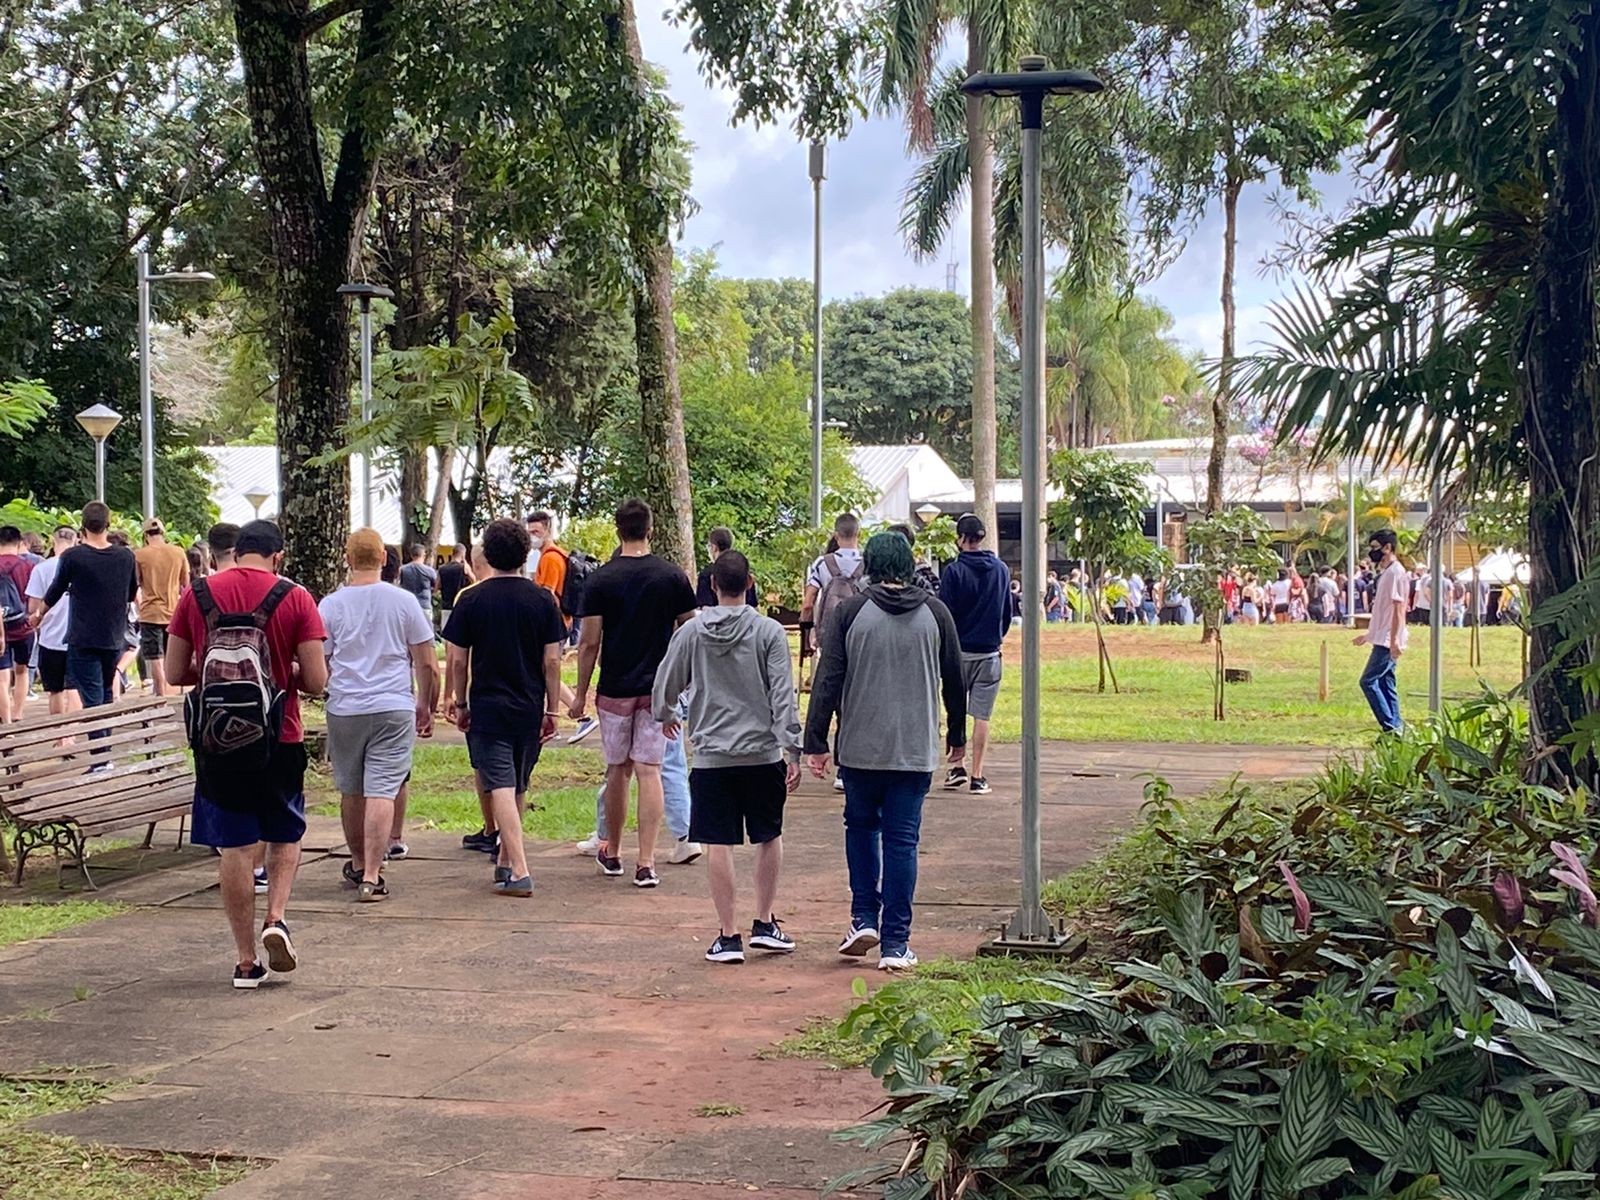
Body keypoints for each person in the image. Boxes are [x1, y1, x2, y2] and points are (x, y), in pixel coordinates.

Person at [164, 520, 328, 988]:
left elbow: (176, 672)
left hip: (217, 741)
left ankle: (243, 960)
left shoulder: (197, 595)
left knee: (235, 847)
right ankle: (276, 917)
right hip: (281, 736)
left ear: (237, 552)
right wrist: (284, 668)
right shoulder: (294, 597)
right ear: (278, 556)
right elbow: (317, 682)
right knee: (284, 833)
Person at [804, 532, 967, 971]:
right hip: (913, 749)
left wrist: (815, 741)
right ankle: (896, 942)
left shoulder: (850, 612)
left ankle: (862, 918)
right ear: (910, 564)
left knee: (860, 829)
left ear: (870, 567)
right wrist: (957, 735)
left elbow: (828, 679)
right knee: (902, 841)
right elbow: (955, 679)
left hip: (859, 749)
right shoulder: (936, 613)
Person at [653, 550, 802, 963]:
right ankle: (766, 921)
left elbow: (666, 680)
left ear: (713, 586)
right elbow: (782, 694)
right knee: (768, 836)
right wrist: (792, 748)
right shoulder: (769, 633)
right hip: (762, 753)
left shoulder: (692, 633)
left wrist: (665, 713)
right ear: (750, 583)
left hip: (712, 756)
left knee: (718, 842)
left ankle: (728, 934)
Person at [569, 498, 697, 888]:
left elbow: (589, 643)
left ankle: (612, 852)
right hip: (659, 691)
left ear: (617, 529)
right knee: (651, 770)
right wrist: (682, 680)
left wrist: (579, 695)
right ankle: (647, 862)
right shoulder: (671, 577)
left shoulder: (601, 579)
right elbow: (690, 631)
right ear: (651, 529)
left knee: (618, 770)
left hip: (615, 690)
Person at [445, 518, 566, 897]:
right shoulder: (544, 600)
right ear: (525, 553)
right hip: (529, 706)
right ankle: (503, 859)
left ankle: (519, 869)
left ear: (488, 554)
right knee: (515, 782)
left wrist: (459, 702)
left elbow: (458, 660)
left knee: (498, 783)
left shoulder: (472, 599)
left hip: (488, 705)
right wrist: (551, 709)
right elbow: (552, 662)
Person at [320, 529, 436, 902]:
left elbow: (321, 659)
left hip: (346, 706)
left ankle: (356, 861)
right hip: (393, 704)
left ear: (347, 558)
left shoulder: (330, 605)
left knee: (352, 789)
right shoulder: (403, 602)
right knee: (383, 788)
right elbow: (428, 662)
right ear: (385, 559)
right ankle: (373, 872)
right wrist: (425, 706)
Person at [34, 503, 137, 713]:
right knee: (106, 693)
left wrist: (39, 614)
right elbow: (131, 594)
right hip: (113, 636)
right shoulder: (126, 557)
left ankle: (100, 745)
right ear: (108, 524)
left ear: (83, 527)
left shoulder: (73, 556)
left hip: (83, 638)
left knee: (92, 699)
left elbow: (55, 590)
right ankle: (104, 742)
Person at [937, 514, 1010, 796]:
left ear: (960, 539)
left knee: (956, 711)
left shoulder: (954, 572)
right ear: (981, 537)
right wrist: (996, 637)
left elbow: (945, 614)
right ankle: (978, 775)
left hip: (958, 653)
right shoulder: (1001, 570)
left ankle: (956, 765)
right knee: (982, 715)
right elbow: (1006, 611)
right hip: (989, 652)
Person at [1353, 529, 1408, 735]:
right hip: (1383, 636)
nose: (1372, 552)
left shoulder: (1395, 573)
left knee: (1368, 681)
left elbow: (1398, 608)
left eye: (1376, 548)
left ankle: (1390, 727)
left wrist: (1394, 640)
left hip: (1388, 639)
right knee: (1387, 681)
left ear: (1388, 548)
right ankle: (1397, 728)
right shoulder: (1387, 573)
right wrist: (1368, 635)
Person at [24, 525, 80, 717]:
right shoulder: (81, 565)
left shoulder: (41, 569)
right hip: (78, 636)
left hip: (50, 638)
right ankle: (71, 732)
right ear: (75, 541)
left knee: (55, 690)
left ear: (53, 542)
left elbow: (32, 607)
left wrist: (37, 618)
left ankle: (59, 734)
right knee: (75, 688)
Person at [133, 518, 190, 697]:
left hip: (150, 613)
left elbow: (136, 582)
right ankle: (176, 692)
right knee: (173, 655)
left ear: (145, 535)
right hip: (173, 612)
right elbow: (185, 584)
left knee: (155, 658)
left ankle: (160, 694)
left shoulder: (139, 555)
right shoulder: (178, 552)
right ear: (163, 533)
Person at [801, 513, 864, 656]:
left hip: (830, 634)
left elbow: (808, 604)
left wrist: (808, 633)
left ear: (836, 536)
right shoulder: (869, 564)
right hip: (860, 633)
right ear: (858, 534)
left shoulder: (822, 563)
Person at [0, 525, 35, 721]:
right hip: (23, 627)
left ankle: (6, 724)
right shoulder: (27, 566)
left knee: (2, 678)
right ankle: (18, 714)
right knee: (22, 671)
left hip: (0, 630)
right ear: (20, 543)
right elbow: (34, 598)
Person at [695, 527, 758, 608]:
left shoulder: (707, 574)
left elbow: (705, 607)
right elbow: (753, 605)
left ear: (714, 548)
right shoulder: (742, 569)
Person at [437, 543, 475, 630]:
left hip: (446, 606)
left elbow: (437, 586)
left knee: (445, 634)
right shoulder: (464, 568)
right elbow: (474, 580)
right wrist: (465, 563)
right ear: (463, 554)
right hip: (460, 605)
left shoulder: (442, 568)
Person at [397, 545, 438, 620]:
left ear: (411, 555)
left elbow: (398, 584)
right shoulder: (429, 571)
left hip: (408, 606)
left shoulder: (402, 569)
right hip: (424, 605)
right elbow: (436, 586)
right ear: (424, 555)